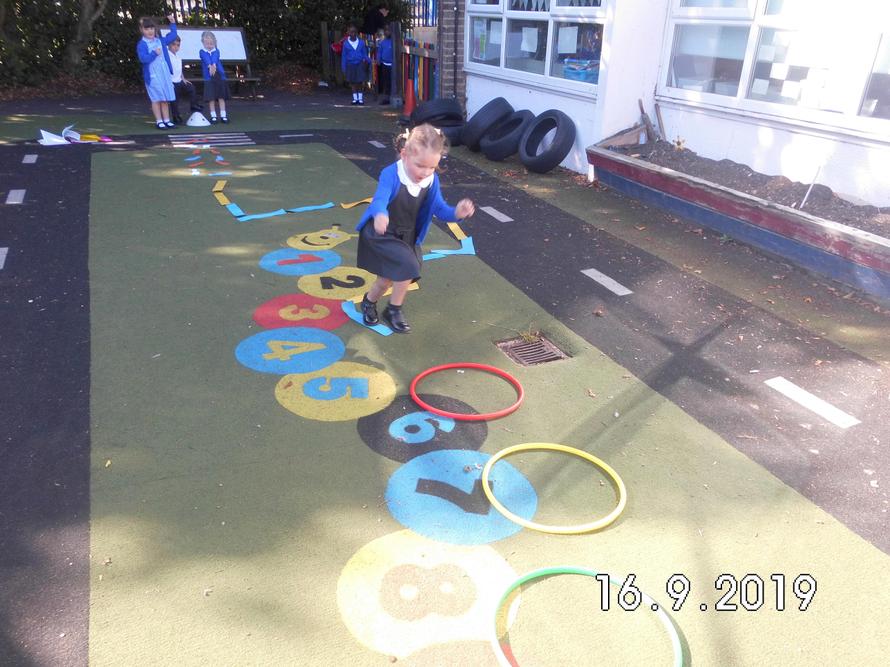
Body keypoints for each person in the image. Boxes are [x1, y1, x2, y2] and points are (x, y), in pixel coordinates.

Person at [355, 124, 475, 333]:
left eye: (432, 167)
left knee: (386, 279)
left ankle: (369, 301)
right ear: (404, 155)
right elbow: (380, 199)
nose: (425, 172)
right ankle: (393, 309)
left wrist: (457, 213)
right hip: (383, 232)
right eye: (420, 166)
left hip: (406, 235)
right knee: (408, 265)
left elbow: (440, 209)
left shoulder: (431, 180)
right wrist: (380, 214)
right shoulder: (392, 173)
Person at [136, 15, 178, 129]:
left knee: (165, 98)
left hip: (164, 74)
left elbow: (173, 35)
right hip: (152, 75)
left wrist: (172, 23)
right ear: (142, 30)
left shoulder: (160, 40)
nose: (150, 31)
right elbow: (143, 59)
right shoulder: (142, 44)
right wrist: (154, 53)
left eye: (151, 28)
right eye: (146, 29)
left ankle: (167, 120)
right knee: (156, 98)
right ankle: (159, 121)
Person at [167, 35, 202, 124]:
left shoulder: (178, 57)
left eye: (178, 45)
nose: (176, 47)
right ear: (169, 44)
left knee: (191, 88)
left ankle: (193, 105)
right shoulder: (167, 56)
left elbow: (179, 69)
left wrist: (183, 78)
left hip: (179, 80)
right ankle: (176, 116)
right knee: (175, 100)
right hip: (172, 82)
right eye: (173, 44)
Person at [199, 31, 231, 124]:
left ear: (214, 43)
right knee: (211, 97)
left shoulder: (216, 51)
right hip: (209, 78)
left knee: (221, 97)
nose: (209, 45)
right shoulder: (202, 51)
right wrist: (209, 65)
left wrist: (213, 65)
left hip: (220, 77)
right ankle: (213, 116)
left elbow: (215, 58)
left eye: (211, 43)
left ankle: (223, 115)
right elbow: (205, 58)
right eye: (207, 43)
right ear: (203, 43)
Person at [341, 24, 371, 106]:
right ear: (348, 33)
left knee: (360, 82)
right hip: (350, 65)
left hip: (359, 64)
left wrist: (369, 60)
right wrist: (343, 67)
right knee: (352, 82)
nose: (353, 34)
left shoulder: (361, 42)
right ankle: (355, 99)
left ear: (357, 33)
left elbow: (364, 54)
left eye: (354, 32)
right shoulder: (346, 43)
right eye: (351, 32)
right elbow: (344, 56)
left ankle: (360, 99)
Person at [375, 27, 393, 105]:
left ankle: (393, 96)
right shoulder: (383, 42)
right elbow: (379, 52)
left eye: (388, 30)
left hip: (393, 66)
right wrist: (378, 60)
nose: (387, 32)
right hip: (384, 65)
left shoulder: (394, 42)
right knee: (385, 82)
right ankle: (386, 98)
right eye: (386, 31)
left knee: (392, 82)